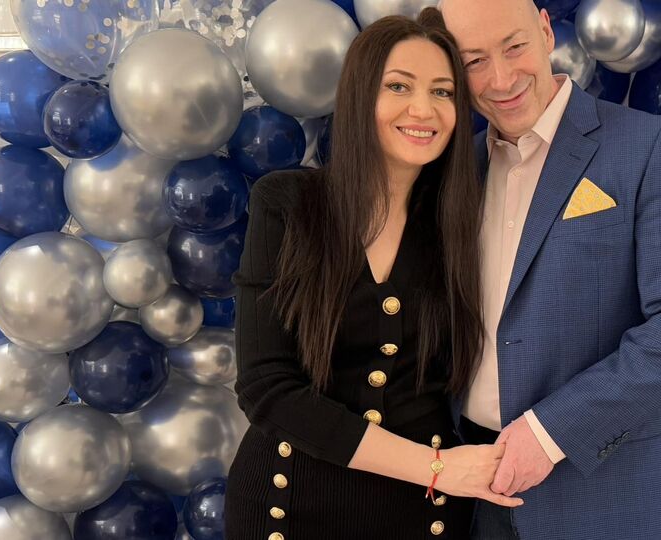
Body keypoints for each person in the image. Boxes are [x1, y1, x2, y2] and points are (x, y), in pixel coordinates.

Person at [224, 9, 523, 540]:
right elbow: (265, 386)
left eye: (442, 92)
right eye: (399, 86)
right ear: (361, 95)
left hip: (420, 516)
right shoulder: (288, 203)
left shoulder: (463, 225)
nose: (422, 109)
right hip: (288, 507)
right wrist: (437, 469)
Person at [438, 1, 661, 539]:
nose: (500, 79)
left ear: (546, 31)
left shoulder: (650, 145)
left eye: (514, 47)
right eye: (474, 60)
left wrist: (550, 432)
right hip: (475, 501)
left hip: (614, 501)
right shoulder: (456, 170)